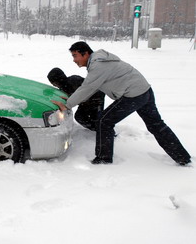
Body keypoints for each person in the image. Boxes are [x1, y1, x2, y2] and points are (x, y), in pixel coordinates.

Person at [52, 41, 192, 166]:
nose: (74, 60)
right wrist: (70, 100)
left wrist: (68, 105)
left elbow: (87, 87)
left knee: (104, 121)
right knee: (156, 125)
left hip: (133, 95)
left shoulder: (98, 65)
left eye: (75, 56)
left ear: (85, 54)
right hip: (145, 91)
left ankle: (103, 158)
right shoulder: (101, 60)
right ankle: (182, 157)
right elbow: (88, 88)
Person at [47, 67, 104, 131]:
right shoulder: (63, 88)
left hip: (96, 98)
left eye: (53, 83)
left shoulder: (73, 81)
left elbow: (83, 93)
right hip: (86, 102)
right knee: (83, 117)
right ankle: (99, 129)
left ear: (58, 80)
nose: (54, 85)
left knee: (90, 117)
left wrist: (71, 98)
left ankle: (102, 130)